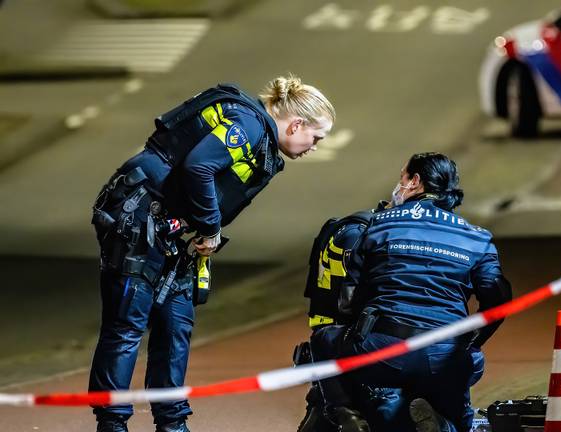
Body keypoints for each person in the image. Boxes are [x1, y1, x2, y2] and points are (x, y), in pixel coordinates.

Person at [89, 77, 335, 432]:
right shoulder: (248, 126)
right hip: (141, 221)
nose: (315, 146)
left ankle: (172, 424)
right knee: (127, 325)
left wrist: (202, 228)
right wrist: (211, 228)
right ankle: (112, 425)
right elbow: (199, 166)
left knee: (175, 326)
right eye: (316, 137)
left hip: (170, 234)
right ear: (296, 124)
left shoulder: (256, 132)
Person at [311, 152, 512, 432]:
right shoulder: (477, 237)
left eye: (401, 176)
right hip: (449, 355)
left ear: (415, 181)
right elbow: (499, 300)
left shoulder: (379, 224)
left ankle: (348, 416)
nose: (398, 183)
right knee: (458, 409)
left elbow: (347, 303)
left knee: (322, 340)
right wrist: (471, 344)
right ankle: (447, 425)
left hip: (384, 351)